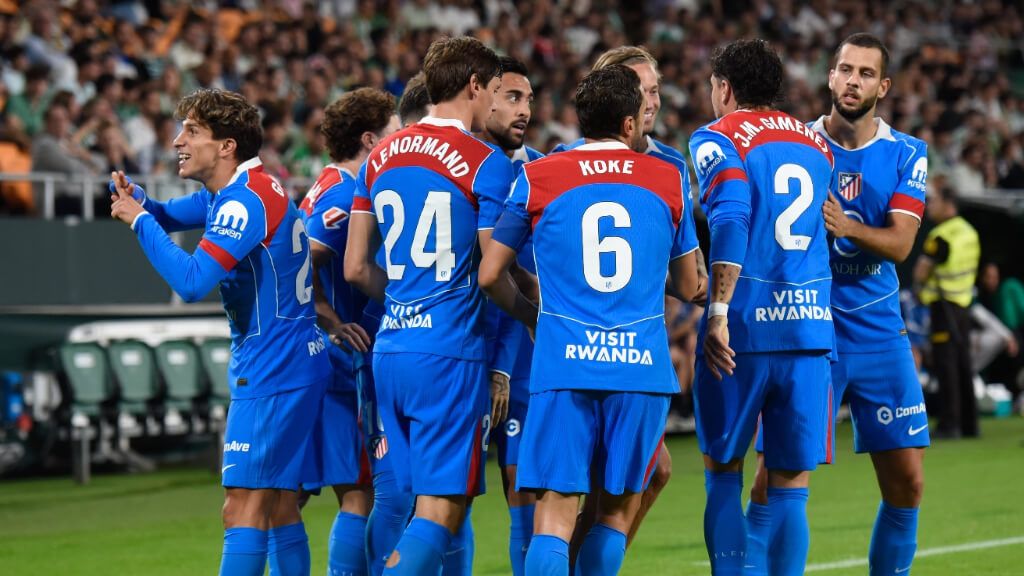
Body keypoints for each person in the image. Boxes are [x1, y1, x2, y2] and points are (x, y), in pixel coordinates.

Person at [479, 64, 701, 576]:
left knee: (554, 516)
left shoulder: (540, 175)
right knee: (614, 515)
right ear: (629, 124)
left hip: (565, 363)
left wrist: (534, 317)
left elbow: (492, 273)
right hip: (640, 369)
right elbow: (690, 285)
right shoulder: (667, 177)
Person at [109, 88, 331, 576]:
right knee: (278, 505)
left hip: (272, 370)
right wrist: (143, 203)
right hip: (296, 360)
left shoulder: (240, 205)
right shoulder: (249, 190)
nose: (176, 141)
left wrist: (138, 221)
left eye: (191, 131)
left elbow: (191, 282)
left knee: (241, 508)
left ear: (226, 146)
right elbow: (170, 213)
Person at [744, 33, 930, 576]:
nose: (853, 81)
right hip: (809, 329)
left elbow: (899, 244)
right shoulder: (796, 145)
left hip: (878, 330)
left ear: (884, 86)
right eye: (844, 70)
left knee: (908, 483)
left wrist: (847, 226)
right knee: (775, 477)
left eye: (866, 73)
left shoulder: (906, 152)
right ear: (829, 77)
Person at [343, 36, 512, 575]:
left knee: (414, 505)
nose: (494, 103)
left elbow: (354, 267)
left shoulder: (381, 157)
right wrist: (535, 317)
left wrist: (405, 298)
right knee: (445, 508)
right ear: (474, 85)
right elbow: (493, 273)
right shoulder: (486, 161)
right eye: (494, 91)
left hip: (391, 348)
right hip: (449, 354)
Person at [689, 39, 835, 575]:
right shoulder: (816, 146)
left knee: (723, 470)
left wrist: (719, 313)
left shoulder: (715, 138)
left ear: (724, 88)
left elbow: (729, 219)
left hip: (745, 329)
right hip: (809, 330)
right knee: (791, 486)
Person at [554, 46, 706, 552]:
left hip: (639, 348)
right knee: (616, 481)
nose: (650, 101)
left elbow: (685, 273)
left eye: (656, 89)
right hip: (582, 347)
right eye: (639, 90)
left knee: (638, 478)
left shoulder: (668, 165)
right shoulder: (564, 165)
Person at [298, 87, 400, 576]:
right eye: (395, 131)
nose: (402, 138)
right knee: (364, 490)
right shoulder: (344, 194)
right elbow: (306, 255)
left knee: (349, 490)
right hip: (345, 364)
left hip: (324, 359)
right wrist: (331, 318)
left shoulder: (324, 184)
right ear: (370, 139)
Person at [478, 55, 543, 576]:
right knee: (442, 499)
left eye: (529, 99)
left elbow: (524, 276)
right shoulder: (465, 169)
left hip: (524, 356)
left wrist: (505, 364)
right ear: (482, 96)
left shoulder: (542, 170)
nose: (525, 110)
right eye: (513, 97)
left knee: (524, 489)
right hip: (462, 353)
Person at [914, 184, 981, 439]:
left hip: (943, 306)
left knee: (946, 366)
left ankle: (949, 424)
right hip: (964, 305)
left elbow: (922, 269)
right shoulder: (969, 231)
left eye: (934, 201)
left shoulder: (942, 234)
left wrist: (919, 289)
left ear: (947, 203)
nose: (929, 206)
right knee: (963, 364)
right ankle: (970, 424)